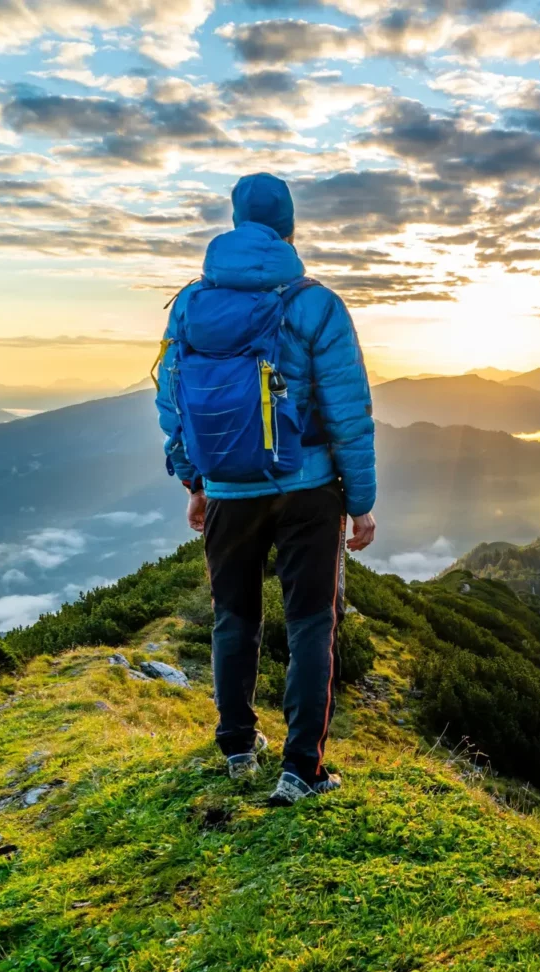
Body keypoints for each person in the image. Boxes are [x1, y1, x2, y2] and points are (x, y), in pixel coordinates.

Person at [156, 172, 376, 806]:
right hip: (309, 491)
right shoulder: (315, 304)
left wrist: (195, 482)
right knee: (311, 625)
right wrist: (359, 503)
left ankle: (236, 749)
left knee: (234, 619)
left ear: (232, 221)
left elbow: (173, 405)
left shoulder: (191, 305)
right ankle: (301, 768)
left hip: (227, 488)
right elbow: (348, 413)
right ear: (290, 227)